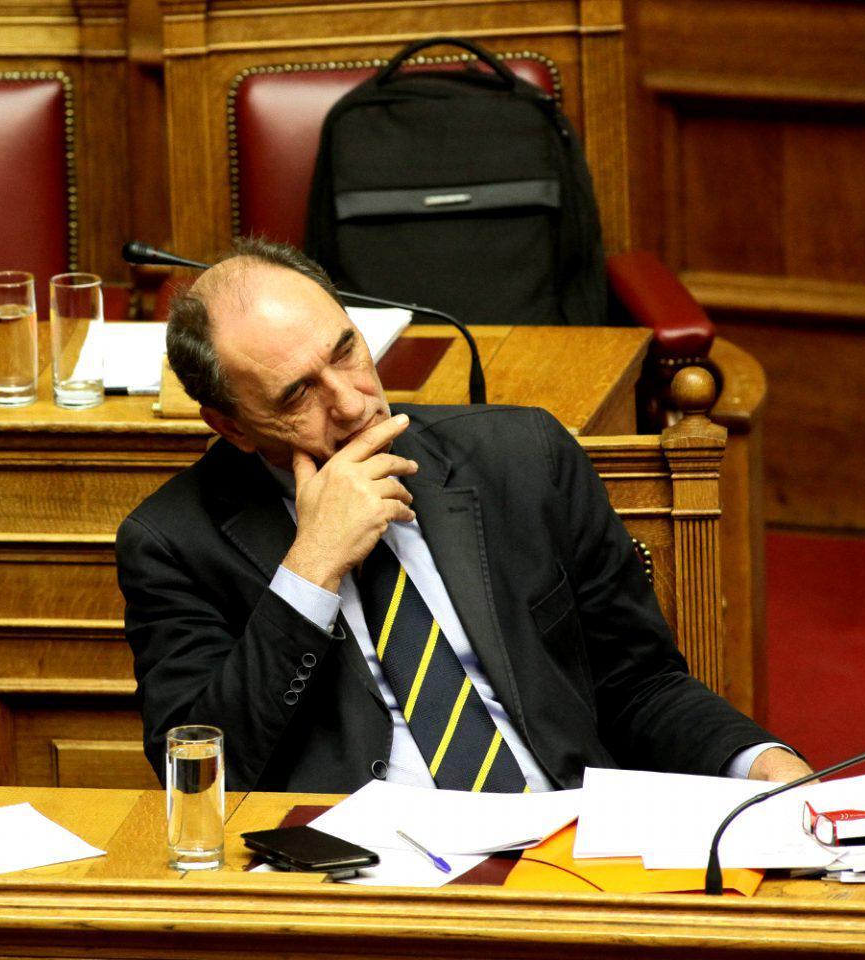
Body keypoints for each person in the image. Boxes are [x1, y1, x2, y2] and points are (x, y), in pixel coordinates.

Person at [117, 238, 809, 794]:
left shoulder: (523, 458)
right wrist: (310, 569)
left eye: (346, 352)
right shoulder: (174, 542)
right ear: (233, 427)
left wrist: (762, 762)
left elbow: (638, 685)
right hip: (351, 877)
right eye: (298, 394)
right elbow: (200, 779)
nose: (352, 404)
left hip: (560, 842)